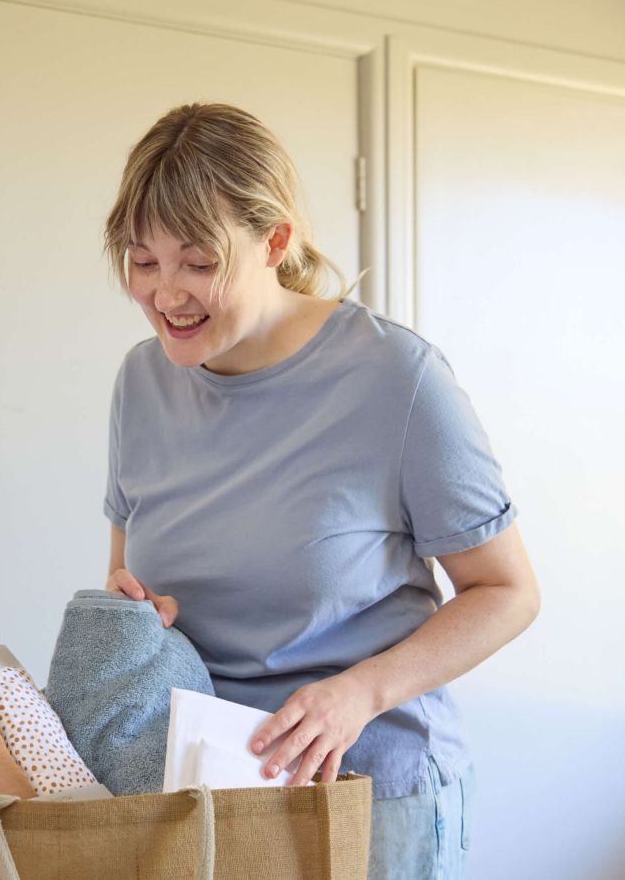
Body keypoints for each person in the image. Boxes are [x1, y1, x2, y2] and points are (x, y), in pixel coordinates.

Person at [101, 103, 541, 879]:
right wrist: (140, 615)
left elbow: (507, 592)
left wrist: (358, 694)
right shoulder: (142, 381)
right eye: (143, 262)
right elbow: (129, 574)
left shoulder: (397, 379)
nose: (167, 294)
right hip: (207, 792)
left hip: (372, 789)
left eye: (199, 262)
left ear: (275, 242)